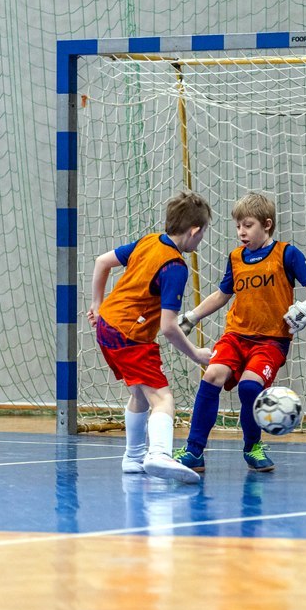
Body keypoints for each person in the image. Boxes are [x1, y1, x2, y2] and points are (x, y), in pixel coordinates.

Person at [174, 192, 306, 472]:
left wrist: (305, 307)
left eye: (248, 225)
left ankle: (253, 447)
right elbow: (222, 295)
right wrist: (192, 316)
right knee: (212, 376)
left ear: (267, 224)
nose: (241, 232)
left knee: (250, 387)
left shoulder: (287, 254)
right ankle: (194, 451)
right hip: (235, 336)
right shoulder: (235, 258)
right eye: (238, 226)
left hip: (271, 341)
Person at [86, 190, 213, 484]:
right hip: (129, 335)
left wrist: (96, 304)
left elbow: (101, 261)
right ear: (194, 231)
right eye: (203, 233)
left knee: (139, 395)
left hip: (107, 326)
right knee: (162, 398)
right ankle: (159, 453)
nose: (201, 239)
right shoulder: (174, 267)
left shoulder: (149, 241)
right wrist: (196, 354)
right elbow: (168, 327)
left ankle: (133, 457)